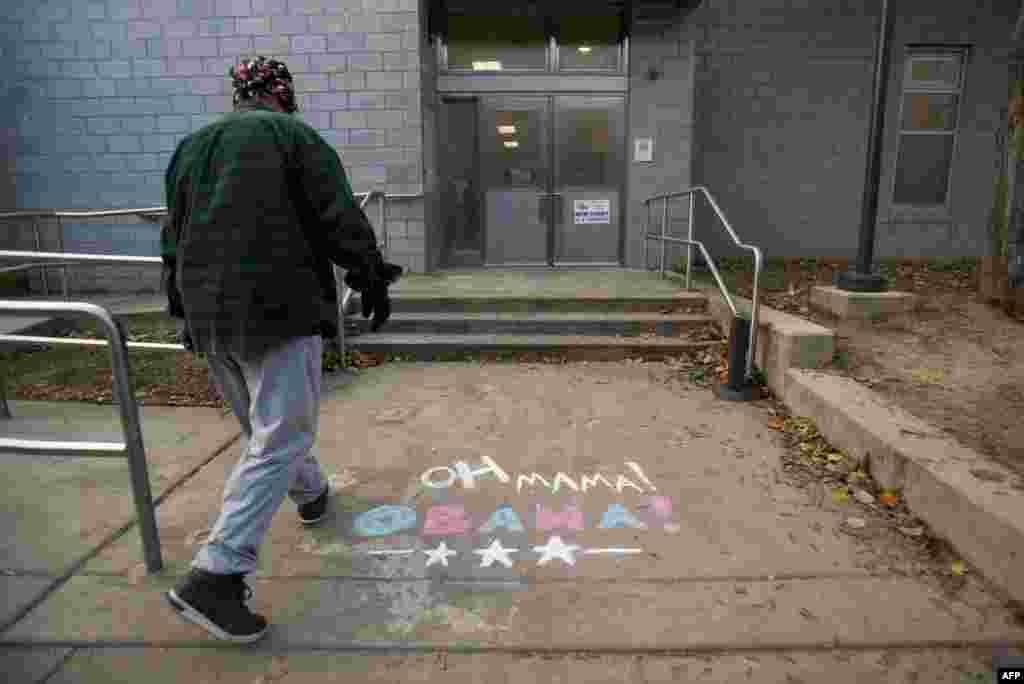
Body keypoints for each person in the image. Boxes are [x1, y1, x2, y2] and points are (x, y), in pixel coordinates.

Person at [159, 56, 402, 643]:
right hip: (278, 306)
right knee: (282, 434)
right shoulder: (294, 137)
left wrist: (181, 309)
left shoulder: (192, 147)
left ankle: (311, 494)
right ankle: (218, 573)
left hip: (210, 316)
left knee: (266, 431)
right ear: (278, 93)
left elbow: (174, 235)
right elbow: (336, 214)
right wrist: (368, 273)